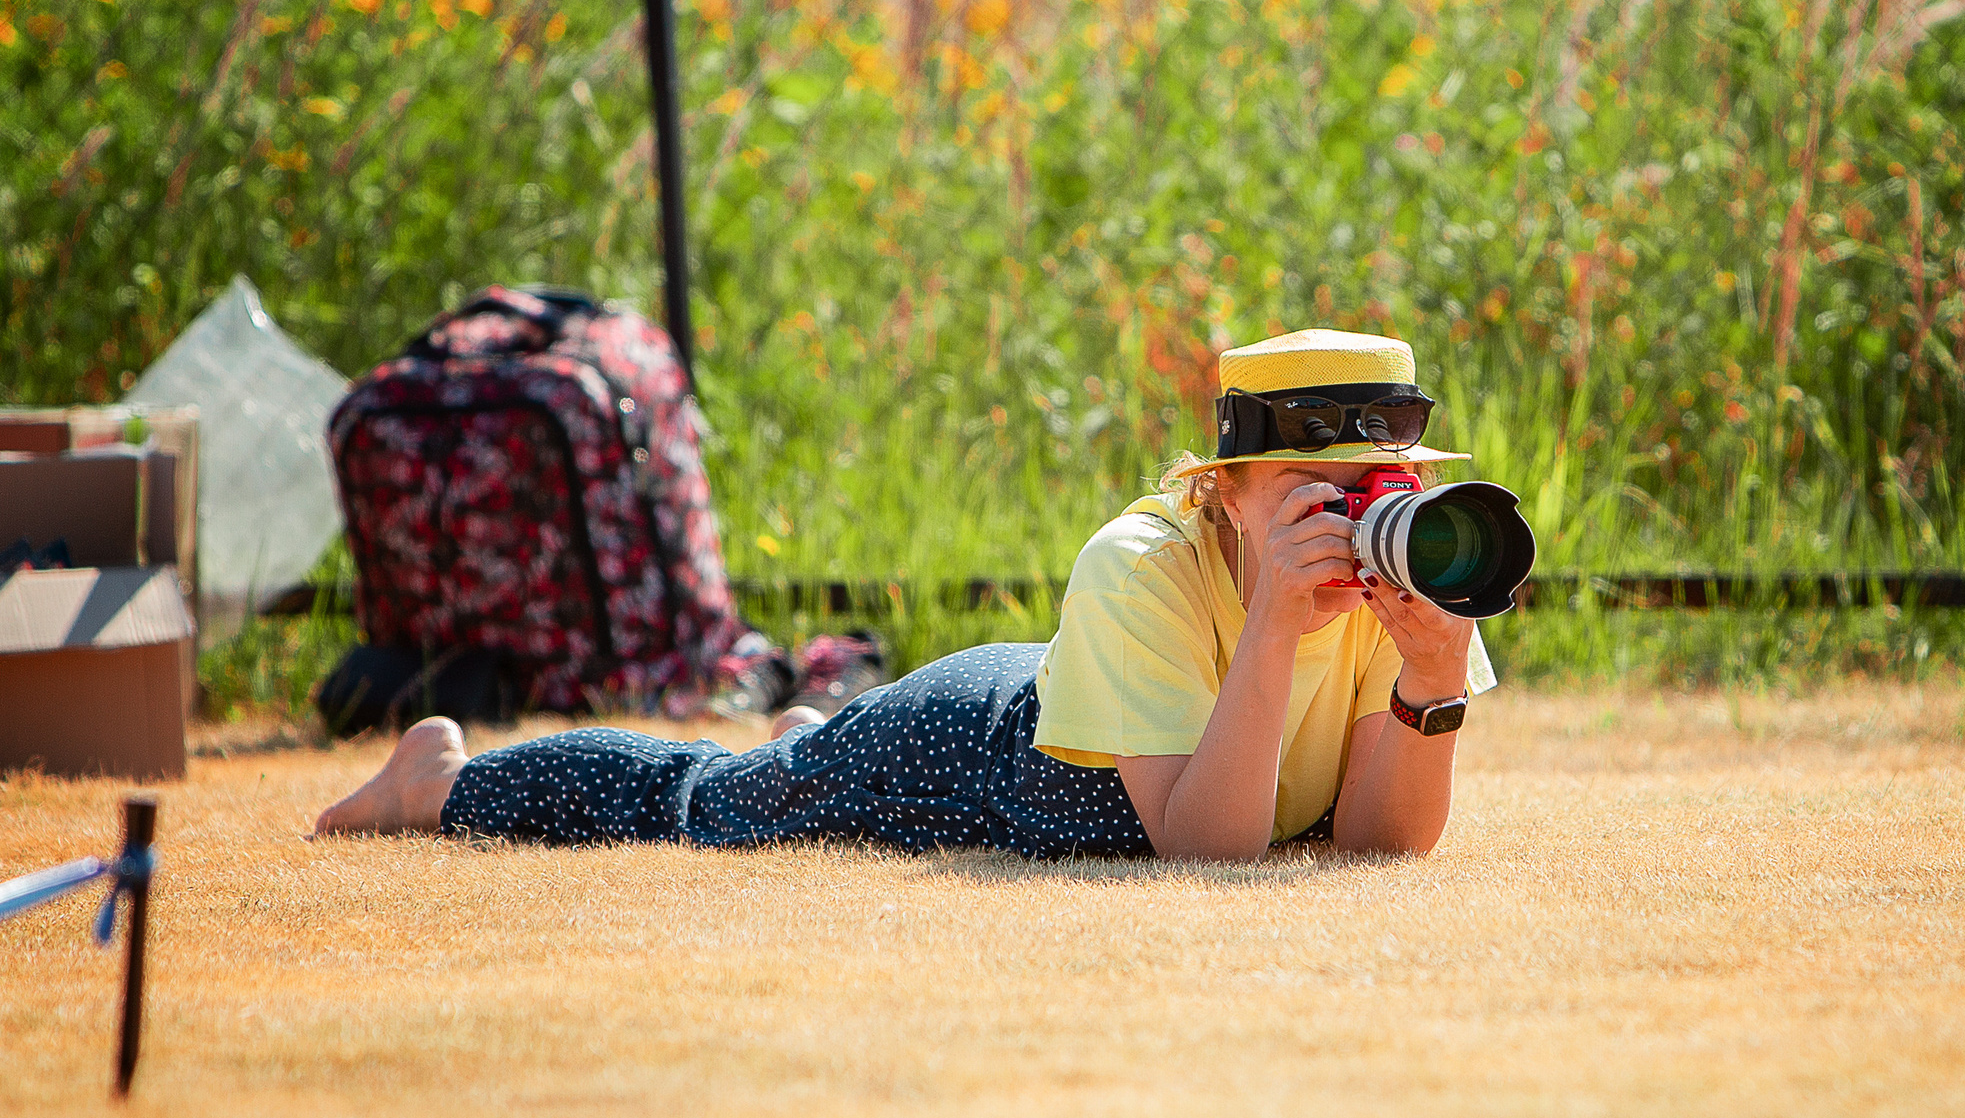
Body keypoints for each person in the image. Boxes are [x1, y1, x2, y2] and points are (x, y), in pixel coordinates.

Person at [313, 328, 1499, 863]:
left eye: (1379, 487)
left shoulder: (1400, 574)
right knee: (715, 808)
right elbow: (1208, 849)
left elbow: (1374, 846)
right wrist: (1279, 628)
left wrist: (1432, 681)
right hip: (974, 752)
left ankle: (805, 739)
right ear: (1227, 493)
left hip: (1080, 757)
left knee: (778, 775)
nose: (1358, 524)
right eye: (1313, 493)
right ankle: (441, 783)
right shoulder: (1139, 566)